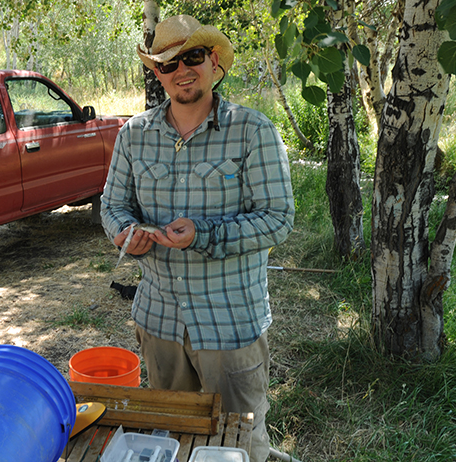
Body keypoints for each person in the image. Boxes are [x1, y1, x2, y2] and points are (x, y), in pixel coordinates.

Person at [100, 15, 294, 462]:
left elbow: (278, 219)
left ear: (212, 61)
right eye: (168, 64)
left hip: (231, 321)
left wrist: (202, 235)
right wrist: (126, 233)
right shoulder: (134, 135)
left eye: (192, 57)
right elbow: (112, 207)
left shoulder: (253, 131)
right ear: (157, 74)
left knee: (241, 437)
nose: (181, 71)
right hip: (159, 319)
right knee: (172, 433)